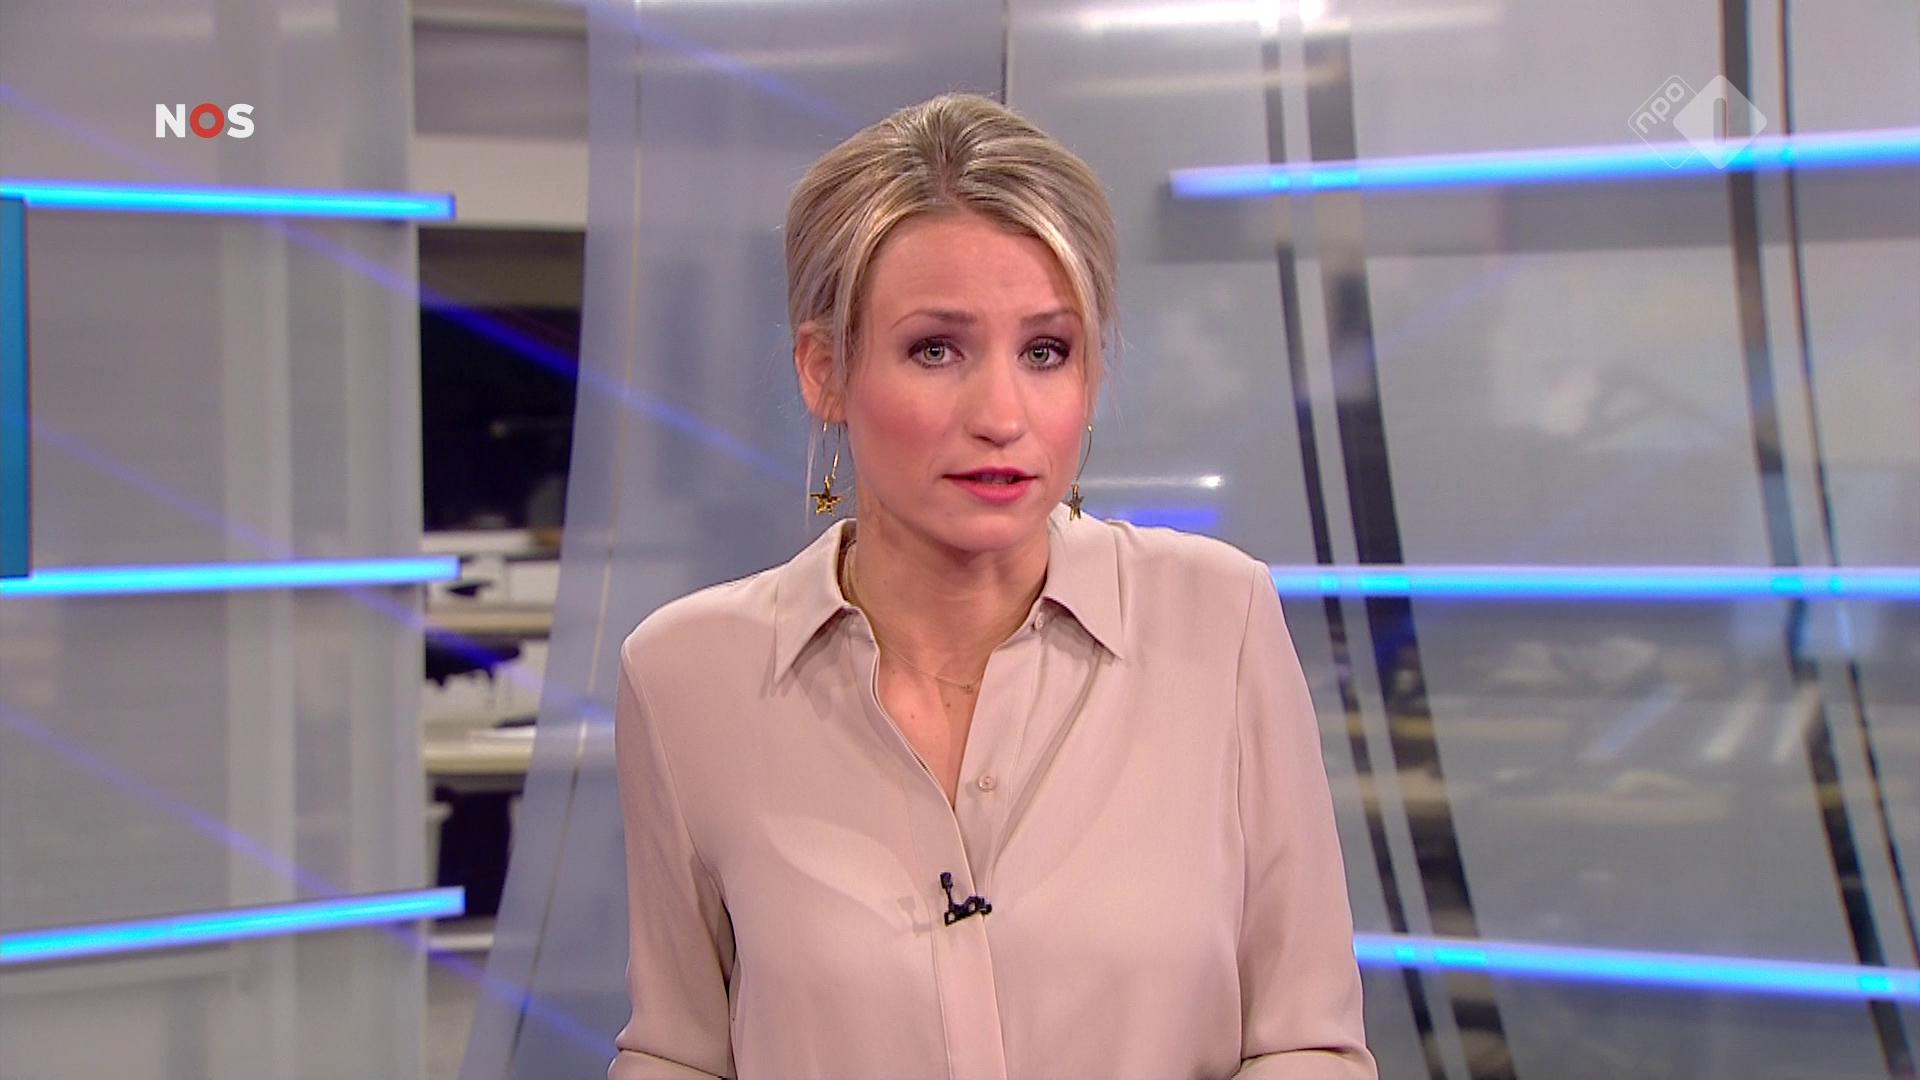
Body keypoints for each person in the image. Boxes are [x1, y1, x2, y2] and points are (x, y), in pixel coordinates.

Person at [611, 92, 1375, 1080]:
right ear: (824, 370)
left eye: (1046, 352)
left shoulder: (1218, 621)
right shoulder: (687, 677)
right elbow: (677, 1051)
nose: (1002, 415)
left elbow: (1307, 1039)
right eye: (937, 349)